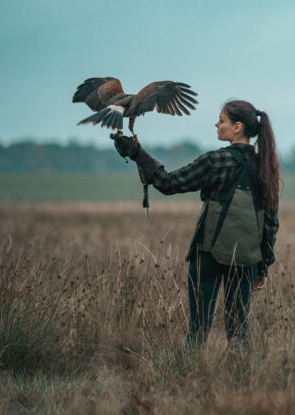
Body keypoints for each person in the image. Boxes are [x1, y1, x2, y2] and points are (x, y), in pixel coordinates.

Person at [113, 100, 280, 350]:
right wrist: (263, 267)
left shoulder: (215, 161)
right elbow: (270, 225)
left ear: (237, 127)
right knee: (238, 337)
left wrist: (137, 153)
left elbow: (169, 184)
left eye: (221, 120)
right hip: (247, 261)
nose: (216, 124)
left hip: (208, 256)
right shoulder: (267, 168)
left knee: (197, 332)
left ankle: (187, 380)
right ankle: (240, 383)